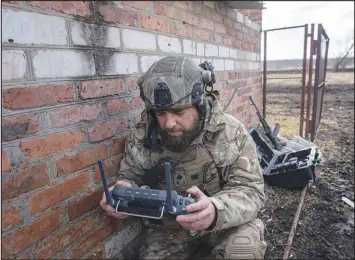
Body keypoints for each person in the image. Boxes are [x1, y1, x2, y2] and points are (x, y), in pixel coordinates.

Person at [100, 56, 267, 259]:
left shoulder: (231, 132)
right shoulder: (143, 136)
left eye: (179, 111)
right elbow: (129, 177)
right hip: (171, 230)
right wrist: (121, 195)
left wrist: (215, 210)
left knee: (242, 253)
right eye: (160, 113)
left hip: (225, 223)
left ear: (199, 103)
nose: (169, 123)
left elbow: (251, 190)